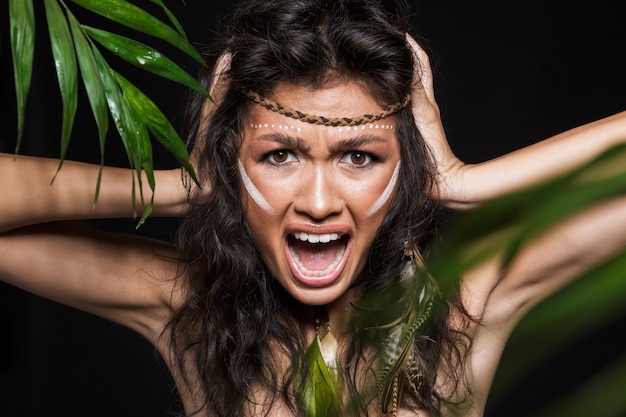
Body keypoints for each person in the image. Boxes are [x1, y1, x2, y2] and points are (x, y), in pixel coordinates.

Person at [1, 0, 625, 416]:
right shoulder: (186, 305)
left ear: (406, 168)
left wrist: (464, 182)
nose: (320, 203)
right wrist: (181, 185)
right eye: (279, 156)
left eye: (360, 157)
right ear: (234, 165)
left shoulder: (469, 298)